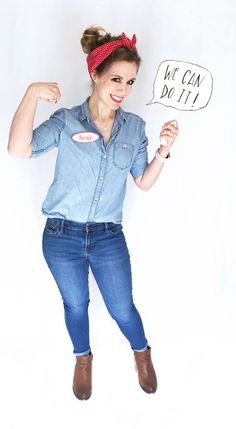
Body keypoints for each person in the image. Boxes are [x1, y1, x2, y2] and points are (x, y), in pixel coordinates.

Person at [8, 26, 178, 400]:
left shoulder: (134, 127)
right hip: (61, 236)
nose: (123, 89)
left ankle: (142, 352)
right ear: (95, 74)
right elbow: (19, 149)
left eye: (131, 81)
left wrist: (164, 150)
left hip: (107, 237)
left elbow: (143, 182)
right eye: (116, 78)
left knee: (122, 307)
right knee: (76, 305)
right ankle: (83, 359)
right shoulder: (67, 121)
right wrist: (32, 94)